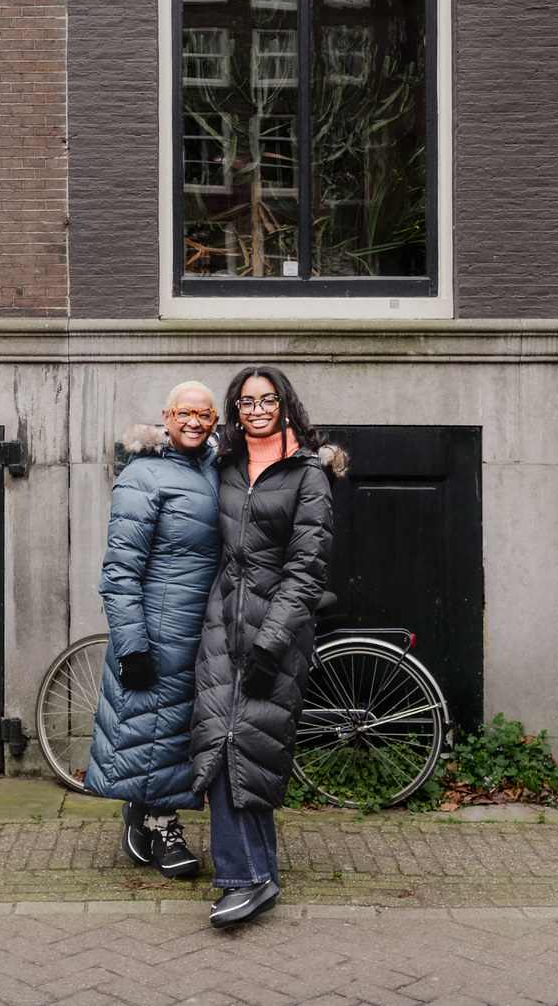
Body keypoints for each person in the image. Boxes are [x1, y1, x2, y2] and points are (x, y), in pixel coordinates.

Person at [191, 365, 348, 928]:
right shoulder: (226, 463)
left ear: (284, 405)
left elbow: (307, 569)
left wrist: (271, 640)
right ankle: (256, 877)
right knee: (226, 741)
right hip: (221, 623)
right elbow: (180, 443)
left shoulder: (309, 475)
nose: (257, 409)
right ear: (235, 409)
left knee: (244, 741)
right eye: (247, 401)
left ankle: (248, 878)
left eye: (268, 399)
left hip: (272, 630)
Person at [84, 380, 221, 880]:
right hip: (158, 630)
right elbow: (119, 569)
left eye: (204, 415)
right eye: (184, 413)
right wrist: (132, 645)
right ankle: (162, 825)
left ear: (215, 421)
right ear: (166, 417)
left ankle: (143, 811)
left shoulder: (214, 468)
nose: (193, 423)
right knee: (154, 731)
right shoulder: (142, 475)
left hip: (205, 628)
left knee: (178, 733)